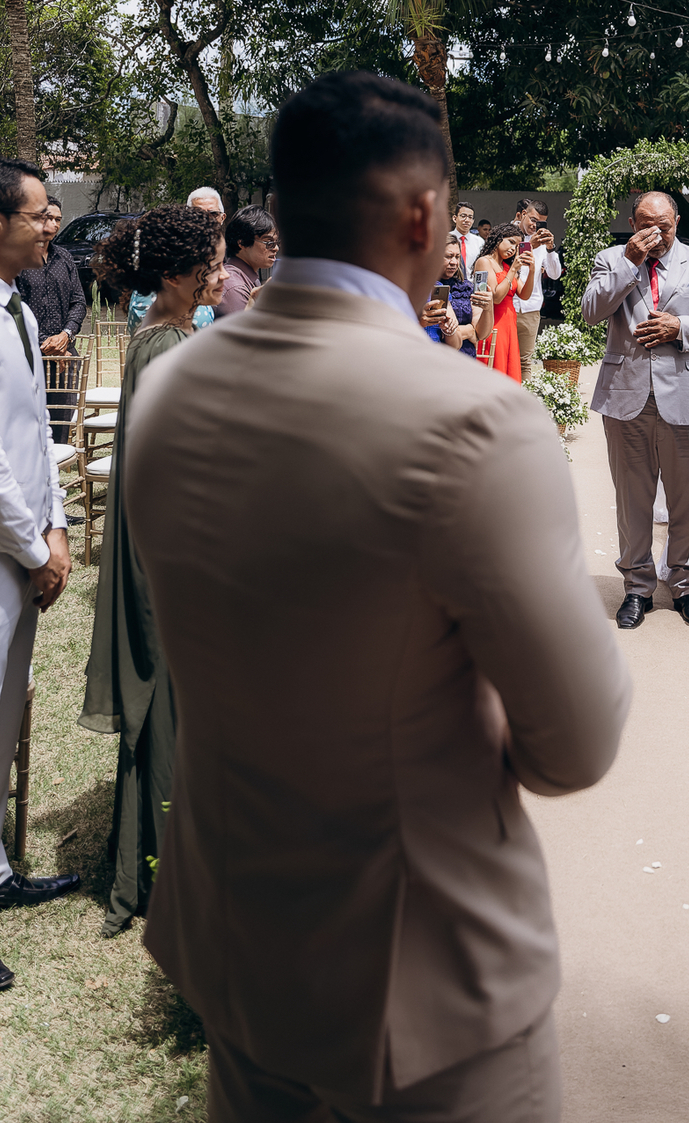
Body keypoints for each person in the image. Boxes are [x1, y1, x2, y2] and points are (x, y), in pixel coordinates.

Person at [123, 70, 629, 1121]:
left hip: (239, 939)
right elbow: (572, 748)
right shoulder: (473, 420)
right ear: (423, 213)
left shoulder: (172, 385)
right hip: (416, 975)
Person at [78, 206, 228, 936]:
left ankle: (150, 856)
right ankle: (165, 863)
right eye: (212, 262)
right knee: (168, 704)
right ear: (174, 273)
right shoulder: (171, 350)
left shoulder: (168, 339)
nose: (222, 272)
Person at [582, 190, 689, 629]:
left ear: (676, 223)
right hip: (624, 395)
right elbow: (592, 312)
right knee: (632, 498)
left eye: (665, 226)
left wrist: (682, 326)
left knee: (687, 496)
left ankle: (684, 584)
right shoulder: (610, 259)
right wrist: (629, 265)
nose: (657, 234)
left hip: (685, 395)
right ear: (633, 223)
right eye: (648, 225)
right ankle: (637, 588)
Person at [0, 160, 79, 992]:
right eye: (34, 217)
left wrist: (55, 527)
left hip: (22, 551)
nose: (49, 227)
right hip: (1, 551)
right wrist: (34, 545)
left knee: (2, 723)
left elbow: (35, 436)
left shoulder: (18, 307)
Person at [16, 197, 87, 442]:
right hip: (28, 353)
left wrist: (66, 335)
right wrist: (46, 344)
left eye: (58, 219)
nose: (55, 224)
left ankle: (55, 473)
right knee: (29, 422)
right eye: (49, 218)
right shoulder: (17, 258)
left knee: (61, 420)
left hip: (65, 355)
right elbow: (14, 307)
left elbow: (78, 301)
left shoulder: (65, 258)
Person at [127, 188, 222, 333]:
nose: (207, 220)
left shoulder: (201, 258)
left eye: (213, 214)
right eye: (199, 215)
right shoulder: (169, 260)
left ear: (222, 218)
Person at [473, 225, 535, 381]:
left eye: (517, 246)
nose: (513, 249)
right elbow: (496, 297)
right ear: (499, 238)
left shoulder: (507, 266)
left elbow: (525, 295)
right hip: (493, 324)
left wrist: (532, 270)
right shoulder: (484, 262)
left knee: (510, 372)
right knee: (495, 371)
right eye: (511, 242)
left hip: (509, 325)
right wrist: (513, 269)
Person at [512, 199, 562, 379]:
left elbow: (555, 274)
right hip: (507, 304)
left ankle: (522, 403)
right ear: (523, 214)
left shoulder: (542, 243)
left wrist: (550, 249)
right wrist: (529, 247)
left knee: (525, 361)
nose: (535, 225)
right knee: (503, 358)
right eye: (532, 219)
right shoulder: (506, 234)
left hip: (531, 307)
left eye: (540, 222)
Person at [419, 238, 494, 357]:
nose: (454, 262)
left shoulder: (466, 287)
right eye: (448, 256)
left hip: (463, 354)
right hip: (433, 353)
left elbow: (479, 334)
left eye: (457, 257)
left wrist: (488, 308)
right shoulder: (421, 287)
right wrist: (468, 331)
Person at [214, 206, 278, 317]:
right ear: (242, 243)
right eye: (269, 243)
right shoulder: (235, 288)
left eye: (276, 242)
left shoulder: (248, 277)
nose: (276, 248)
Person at [448, 201, 484, 277]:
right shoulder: (446, 239)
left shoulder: (480, 242)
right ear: (455, 218)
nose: (467, 220)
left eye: (470, 217)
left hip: (472, 285)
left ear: (473, 221)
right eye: (463, 216)